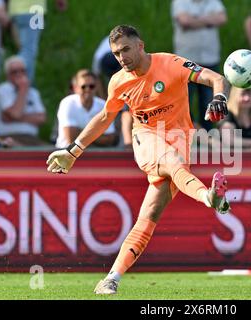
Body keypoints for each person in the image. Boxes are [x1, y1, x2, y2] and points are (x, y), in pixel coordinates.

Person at [46, 25, 231, 295]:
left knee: (148, 216)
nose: (121, 58)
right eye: (116, 53)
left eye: (125, 50)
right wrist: (74, 151)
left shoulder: (172, 63)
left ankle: (111, 278)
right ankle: (208, 198)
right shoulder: (119, 81)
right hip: (146, 139)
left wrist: (219, 97)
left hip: (180, 140)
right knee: (171, 161)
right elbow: (104, 118)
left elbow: (216, 78)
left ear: (141, 46)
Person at [171, 0, 227, 130]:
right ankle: (188, 134)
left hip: (210, 59)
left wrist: (194, 20)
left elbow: (222, 18)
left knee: (208, 101)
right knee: (185, 101)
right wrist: (209, 21)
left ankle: (206, 134)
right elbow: (184, 21)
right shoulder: (180, 2)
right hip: (186, 62)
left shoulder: (213, 2)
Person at [0, 55, 47, 146]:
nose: (19, 74)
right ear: (7, 75)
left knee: (51, 155)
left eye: (22, 70)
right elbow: (15, 114)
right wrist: (23, 89)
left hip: (31, 138)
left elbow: (42, 118)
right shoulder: (2, 90)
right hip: (6, 138)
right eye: (14, 72)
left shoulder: (33, 92)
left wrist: (12, 118)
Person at [55, 69, 117, 148]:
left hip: (95, 155)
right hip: (66, 154)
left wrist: (81, 133)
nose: (87, 89)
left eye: (91, 86)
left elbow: (110, 138)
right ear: (75, 88)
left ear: (96, 87)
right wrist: (96, 135)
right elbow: (71, 138)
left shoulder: (103, 105)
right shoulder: (67, 103)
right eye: (83, 87)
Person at [8, 0, 67, 82]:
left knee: (23, 50)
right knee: (29, 51)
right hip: (35, 9)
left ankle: (17, 83)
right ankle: (23, 85)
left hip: (15, 10)